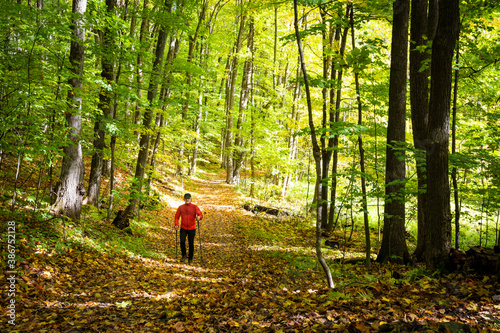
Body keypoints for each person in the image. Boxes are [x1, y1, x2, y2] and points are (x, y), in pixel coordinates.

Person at [174, 193, 203, 263]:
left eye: (188, 198)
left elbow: (200, 215)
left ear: (190, 199)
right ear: (184, 199)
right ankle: (184, 255)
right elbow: (176, 217)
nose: (187, 199)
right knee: (182, 241)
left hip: (192, 228)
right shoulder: (181, 207)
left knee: (191, 243)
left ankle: (190, 257)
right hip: (183, 228)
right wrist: (176, 224)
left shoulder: (194, 207)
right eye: (186, 198)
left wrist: (198, 217)